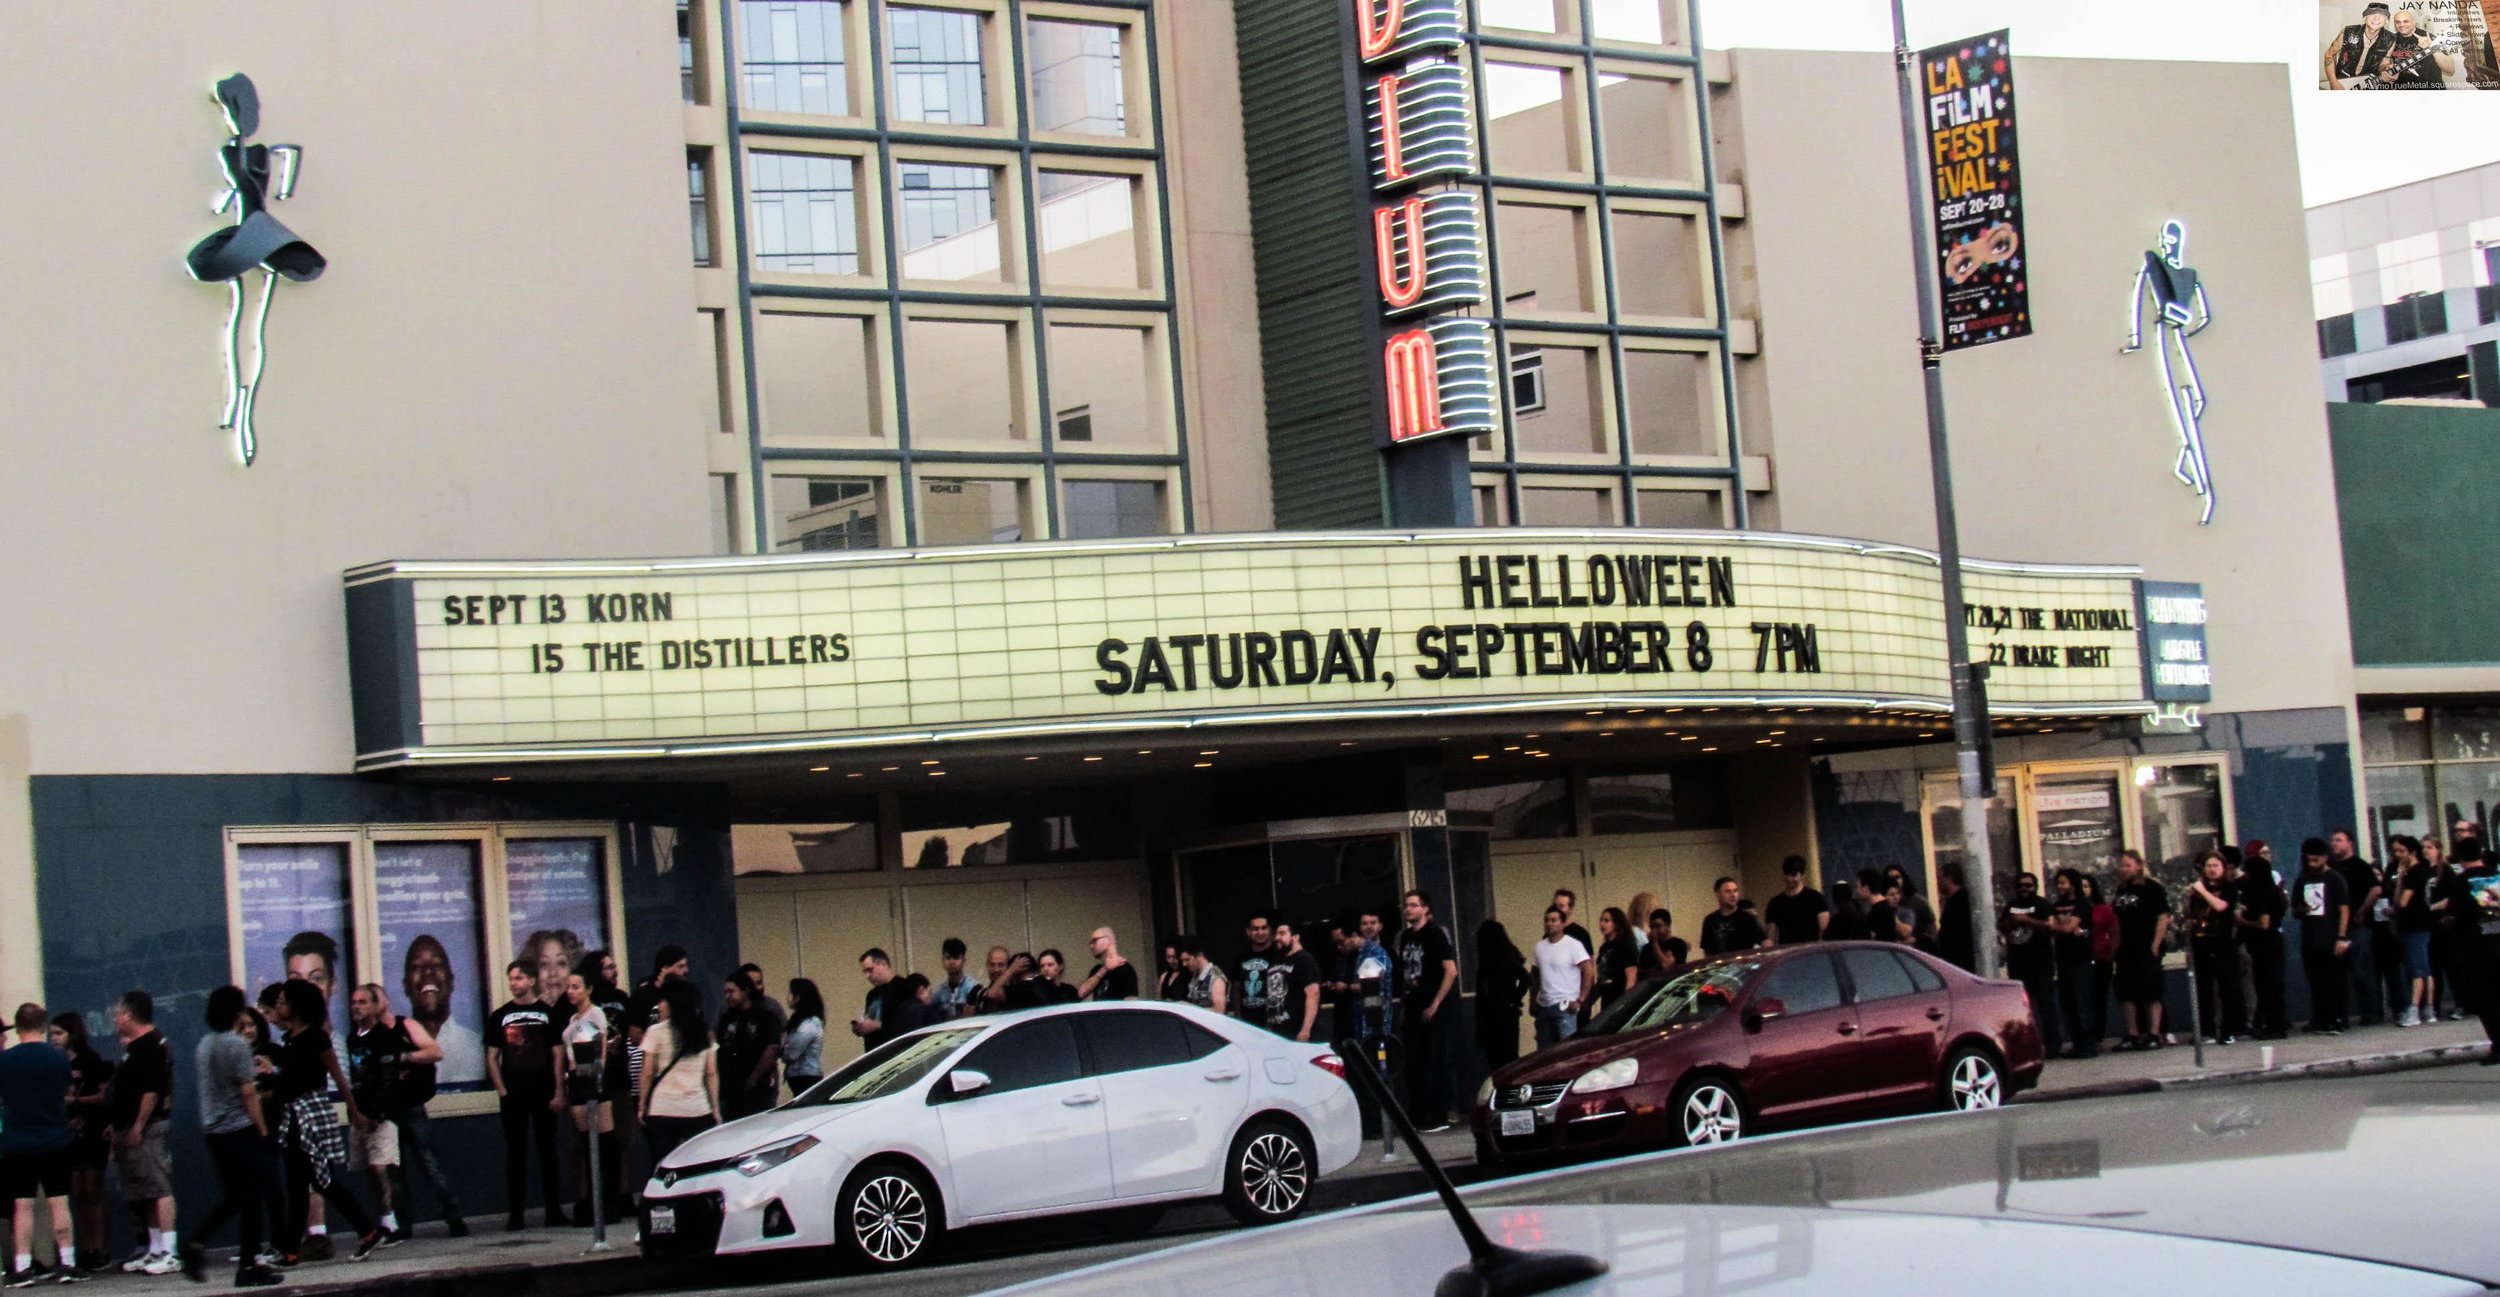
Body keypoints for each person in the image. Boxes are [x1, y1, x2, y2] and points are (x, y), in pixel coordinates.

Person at [266, 980, 384, 1262]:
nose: (279, 1007)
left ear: (296, 1006)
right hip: (293, 1115)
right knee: (302, 1183)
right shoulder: (289, 1041)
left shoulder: (315, 1038)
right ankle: (292, 1249)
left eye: (283, 1001)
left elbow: (337, 1076)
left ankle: (367, 1230)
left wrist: (353, 1110)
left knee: (320, 1180)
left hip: (309, 1115)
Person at [179, 988, 284, 1288]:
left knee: (236, 1196)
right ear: (236, 1012)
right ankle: (249, 1264)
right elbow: (248, 1092)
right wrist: (262, 1130)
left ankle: (198, 1242)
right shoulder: (236, 1045)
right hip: (240, 1129)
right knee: (252, 1199)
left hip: (215, 1131)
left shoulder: (204, 1045)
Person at [345, 984, 438, 1246]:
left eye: (363, 1002)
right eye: (354, 1002)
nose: (357, 1007)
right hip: (361, 1113)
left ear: (376, 1006)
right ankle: (388, 1219)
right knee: (369, 1170)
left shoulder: (385, 1037)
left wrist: (377, 1112)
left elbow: (388, 1078)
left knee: (383, 1167)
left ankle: (394, 1224)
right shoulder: (354, 1037)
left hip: (383, 1113)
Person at [1, 1003, 79, 1286]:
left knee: (22, 1205)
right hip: (55, 1137)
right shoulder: (58, 1058)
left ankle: (22, 1268)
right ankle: (67, 1263)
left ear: (18, 1027)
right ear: (43, 1026)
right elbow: (65, 1091)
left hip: (18, 1140)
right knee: (59, 1202)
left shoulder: (5, 1061)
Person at [486, 960, 564, 1231]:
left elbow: (558, 1053)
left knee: (547, 1150)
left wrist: (558, 1089)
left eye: (519, 978)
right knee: (515, 1153)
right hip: (514, 1092)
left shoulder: (548, 1013)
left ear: (531, 980)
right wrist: (503, 1091)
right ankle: (516, 1213)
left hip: (542, 1089)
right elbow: (492, 1055)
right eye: (511, 979)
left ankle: (553, 1210)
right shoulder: (500, 1015)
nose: (514, 983)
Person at [107, 991, 179, 1274]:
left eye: (119, 1012)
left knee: (159, 1187)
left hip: (148, 1129)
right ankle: (155, 1247)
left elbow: (151, 1090)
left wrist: (138, 1125)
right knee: (145, 1192)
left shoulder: (151, 1045)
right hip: (130, 1128)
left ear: (130, 1014)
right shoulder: (135, 1048)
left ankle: (170, 1253)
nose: (115, 1018)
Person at [558, 972, 624, 1228]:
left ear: (588, 989)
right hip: (575, 1077)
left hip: (592, 1076)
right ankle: (592, 1201)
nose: (571, 991)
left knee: (605, 1142)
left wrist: (598, 1077)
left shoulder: (595, 1014)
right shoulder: (573, 1018)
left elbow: (602, 1048)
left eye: (576, 987)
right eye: (568, 987)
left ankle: (610, 1202)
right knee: (586, 1142)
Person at [1390, 890, 1459, 1132]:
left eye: (1413, 905)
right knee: (1413, 1063)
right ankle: (1418, 1116)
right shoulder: (1407, 936)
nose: (1407, 909)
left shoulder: (1435, 934)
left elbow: (1450, 970)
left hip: (1433, 1006)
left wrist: (1435, 1004)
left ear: (1424, 909)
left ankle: (1438, 1115)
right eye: (1406, 905)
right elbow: (1405, 975)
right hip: (1413, 1003)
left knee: (1434, 1060)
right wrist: (1404, 1005)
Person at [46, 1013, 109, 1274]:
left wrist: (77, 1103)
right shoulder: (53, 1062)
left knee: (92, 1190)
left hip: (91, 1131)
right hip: (67, 1134)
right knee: (77, 1192)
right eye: (52, 1034)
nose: (55, 1039)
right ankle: (84, 1247)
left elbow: (102, 1095)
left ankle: (98, 1247)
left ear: (72, 1034)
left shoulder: (90, 1061)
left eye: (59, 1033)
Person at [637, 981, 719, 1169]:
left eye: (663, 1000)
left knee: (663, 1168)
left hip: (663, 1109)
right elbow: (711, 1073)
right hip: (697, 1109)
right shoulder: (704, 1033)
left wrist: (642, 1106)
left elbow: (648, 1073)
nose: (659, 1005)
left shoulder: (655, 1032)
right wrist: (715, 1108)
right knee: (699, 1169)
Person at [2109, 850, 2173, 1050]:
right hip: (2126, 949)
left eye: (2128, 865)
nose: (2124, 869)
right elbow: (2117, 920)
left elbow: (2163, 917)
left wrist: (2155, 944)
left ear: (2138, 866)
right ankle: (2132, 1033)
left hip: (2146, 947)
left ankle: (2154, 1033)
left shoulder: (2151, 888)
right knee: (2126, 991)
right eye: (2122, 865)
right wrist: (2115, 946)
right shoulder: (2121, 890)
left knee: (2151, 991)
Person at [400, 935, 482, 1088]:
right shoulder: (395, 1046)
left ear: (451, 982)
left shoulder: (476, 1048)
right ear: (406, 986)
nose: (428, 972)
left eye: (437, 965)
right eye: (417, 967)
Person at [2293, 837, 2353, 1034]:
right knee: (2316, 981)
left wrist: (2341, 936)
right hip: (2311, 938)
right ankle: (2321, 1017)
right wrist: (2302, 909)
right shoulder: (2303, 879)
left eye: (2316, 860)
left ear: (2325, 858)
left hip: (2330, 936)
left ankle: (2338, 1018)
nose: (2312, 864)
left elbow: (2344, 909)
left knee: (2334, 981)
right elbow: (2295, 908)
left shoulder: (2336, 879)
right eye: (2309, 860)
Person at [2184, 851, 2245, 1044]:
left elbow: (2221, 907)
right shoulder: (2197, 890)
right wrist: (2188, 897)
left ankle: (2229, 1030)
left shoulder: (2229, 888)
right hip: (2201, 941)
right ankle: (2207, 1031)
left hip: (2223, 943)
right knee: (2204, 989)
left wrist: (2202, 891)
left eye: (2215, 866)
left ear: (2223, 868)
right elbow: (2189, 916)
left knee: (2228, 988)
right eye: (2208, 866)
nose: (2211, 870)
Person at [2326, 830, 2385, 1026]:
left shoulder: (2359, 866)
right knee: (2337, 974)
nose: (2334, 843)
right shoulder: (2330, 868)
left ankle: (2371, 1013)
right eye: (2333, 840)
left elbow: (2376, 889)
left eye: (2339, 840)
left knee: (2361, 971)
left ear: (2349, 843)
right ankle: (2339, 1016)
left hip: (2358, 927)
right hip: (2336, 928)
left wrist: (2362, 911)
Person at [2000, 872, 2058, 1055]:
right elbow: (2000, 926)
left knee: (2046, 1006)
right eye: (2020, 885)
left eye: (2028, 885)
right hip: (2018, 963)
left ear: (2035, 886)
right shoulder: (2010, 906)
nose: (2024, 889)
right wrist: (2010, 923)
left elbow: (2051, 926)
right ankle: (2027, 1047)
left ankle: (2052, 1046)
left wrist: (2028, 921)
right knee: (2024, 1009)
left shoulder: (2043, 904)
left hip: (2041, 962)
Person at [2237, 841, 2291, 1040]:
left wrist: (2242, 921)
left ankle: (2274, 1025)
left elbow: (2264, 923)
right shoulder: (2271, 892)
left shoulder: (2262, 894)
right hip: (2269, 944)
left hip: (2266, 944)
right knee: (2268, 985)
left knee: (2269, 985)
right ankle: (2272, 1022)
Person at [1529, 907, 1593, 1051]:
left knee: (1566, 1050)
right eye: (1547, 920)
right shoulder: (1540, 947)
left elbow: (1588, 969)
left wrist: (1580, 999)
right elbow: (1535, 976)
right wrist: (1532, 1001)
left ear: (1562, 924)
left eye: (1554, 920)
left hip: (1565, 1006)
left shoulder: (1573, 945)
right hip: (1544, 1006)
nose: (1549, 923)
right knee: (1544, 1051)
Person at [2047, 869, 2097, 1056]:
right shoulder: (2057, 905)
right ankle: (2076, 1042)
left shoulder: (2082, 903)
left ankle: (2088, 1043)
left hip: (2080, 958)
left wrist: (2060, 927)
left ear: (2073, 884)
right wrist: (2060, 927)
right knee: (2068, 1003)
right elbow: (2052, 927)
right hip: (2062, 957)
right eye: (2059, 883)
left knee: (2082, 1001)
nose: (2060, 887)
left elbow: (2068, 927)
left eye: (2064, 883)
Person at [714, 976, 778, 1121]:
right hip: (730, 1088)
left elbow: (772, 1048)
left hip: (756, 1088)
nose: (727, 997)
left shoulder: (764, 1017)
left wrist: (755, 1077)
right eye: (725, 992)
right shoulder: (727, 1018)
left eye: (731, 992)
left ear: (745, 991)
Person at [1472, 921, 1530, 1072]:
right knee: (1507, 1056)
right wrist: (1515, 998)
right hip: (1504, 1011)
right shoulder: (1505, 957)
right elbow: (1525, 978)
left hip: (1497, 1012)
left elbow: (1525, 978)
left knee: (1499, 1058)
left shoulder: (1491, 961)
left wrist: (1513, 998)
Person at [1261, 924, 1323, 1043]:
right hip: (1278, 1032)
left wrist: (1305, 1030)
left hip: (1298, 1031)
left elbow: (1313, 994)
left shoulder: (1305, 959)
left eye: (1282, 934)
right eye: (1276, 934)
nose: (1277, 938)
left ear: (1295, 937)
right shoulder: (1276, 960)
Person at [850, 949, 912, 1051]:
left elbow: (908, 1023)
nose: (867, 976)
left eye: (870, 970)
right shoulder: (871, 995)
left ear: (883, 964)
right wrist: (862, 1027)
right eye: (865, 972)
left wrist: (878, 1026)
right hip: (874, 1053)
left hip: (897, 1051)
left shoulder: (903, 987)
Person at [2081, 875, 2119, 1044]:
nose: (2084, 889)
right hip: (2080, 959)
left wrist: (2110, 953)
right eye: (2081, 886)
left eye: (2087, 886)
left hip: (2101, 958)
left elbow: (2114, 931)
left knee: (2098, 998)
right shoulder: (2074, 909)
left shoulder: (2102, 909)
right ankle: (2083, 1034)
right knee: (2082, 999)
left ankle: (2097, 1035)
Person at [1763, 857, 1829, 945]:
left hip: (1811, 952)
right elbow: (1771, 936)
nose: (1789, 879)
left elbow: (1825, 931)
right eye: (1787, 874)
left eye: (1793, 875)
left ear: (1802, 875)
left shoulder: (1815, 898)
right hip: (1788, 954)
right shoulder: (1775, 903)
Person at [1590, 908, 1639, 1017]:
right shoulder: (1604, 948)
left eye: (1607, 921)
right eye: (1601, 920)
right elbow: (1602, 978)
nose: (1602, 924)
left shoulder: (1626, 945)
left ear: (1616, 924)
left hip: (1619, 998)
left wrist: (1624, 1002)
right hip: (1606, 998)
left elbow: (1631, 978)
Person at [1233, 915, 1280, 1029]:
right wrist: (1238, 1017)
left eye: (1264, 928)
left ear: (1269, 931)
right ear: (1248, 932)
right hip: (1248, 1022)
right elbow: (1236, 989)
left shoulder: (1279, 955)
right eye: (1255, 929)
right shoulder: (1241, 957)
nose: (1260, 932)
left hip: (1274, 1021)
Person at [781, 979, 826, 1095]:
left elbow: (791, 1054)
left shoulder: (808, 1025)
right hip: (799, 1076)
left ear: (798, 997)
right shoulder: (801, 1021)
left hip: (806, 1076)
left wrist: (782, 1049)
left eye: (790, 993)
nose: (788, 997)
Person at [1699, 878, 1766, 955]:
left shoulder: (1747, 918)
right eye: (1728, 891)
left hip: (1743, 964)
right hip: (1720, 965)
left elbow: (1765, 942)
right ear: (1718, 894)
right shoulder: (1710, 920)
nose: (1733, 895)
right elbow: (1707, 951)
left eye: (1735, 891)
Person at [1075, 928, 1140, 1002]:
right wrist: (1104, 969)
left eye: (1094, 941)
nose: (1091, 946)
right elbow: (1081, 993)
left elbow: (1131, 1001)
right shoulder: (1097, 970)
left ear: (1108, 941)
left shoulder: (1125, 968)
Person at [1936, 866, 1975, 971]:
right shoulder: (1952, 901)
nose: (1937, 882)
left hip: (1962, 960)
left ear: (1949, 878)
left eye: (1939, 878)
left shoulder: (1962, 900)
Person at [930, 940, 981, 1019]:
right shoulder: (939, 992)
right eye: (948, 958)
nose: (951, 962)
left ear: (963, 961)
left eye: (956, 958)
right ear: (942, 960)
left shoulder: (973, 987)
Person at [1177, 938, 1228, 1014]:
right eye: (1183, 961)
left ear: (1199, 955)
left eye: (1187, 959)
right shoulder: (1195, 976)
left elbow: (1219, 1011)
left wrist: (1190, 1009)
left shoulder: (1215, 978)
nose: (1184, 964)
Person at [1639, 909, 1690, 976]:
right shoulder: (1646, 948)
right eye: (1652, 927)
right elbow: (1640, 972)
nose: (1654, 931)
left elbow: (1666, 966)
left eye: (1658, 926)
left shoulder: (1678, 944)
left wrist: (1655, 944)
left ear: (1668, 925)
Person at [1857, 872, 1896, 947]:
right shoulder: (1884, 908)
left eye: (1858, 887)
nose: (1857, 891)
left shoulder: (1878, 912)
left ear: (1866, 888)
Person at [1549, 890, 1593, 955]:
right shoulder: (1549, 934)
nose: (1557, 909)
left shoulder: (1581, 934)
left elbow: (1590, 962)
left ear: (1570, 909)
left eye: (1561, 906)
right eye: (1555, 906)